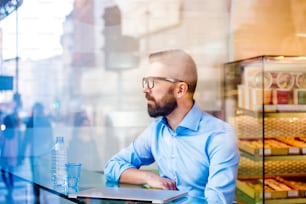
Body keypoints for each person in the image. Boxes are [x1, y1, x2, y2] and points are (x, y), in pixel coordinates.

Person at [104, 49, 240, 203]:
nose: (145, 89)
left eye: (153, 82)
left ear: (180, 89)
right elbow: (112, 166)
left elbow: (217, 201)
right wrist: (149, 178)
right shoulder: (157, 131)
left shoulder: (219, 135)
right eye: (146, 82)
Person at [22, 102, 54, 204]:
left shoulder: (35, 122)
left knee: (39, 176)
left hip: (40, 153)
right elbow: (26, 139)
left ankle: (40, 196)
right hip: (37, 154)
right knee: (38, 177)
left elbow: (26, 140)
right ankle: (39, 196)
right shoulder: (36, 122)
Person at [0, 108, 22, 202]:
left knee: (3, 173)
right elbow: (19, 143)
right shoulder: (16, 132)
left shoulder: (3, 133)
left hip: (5, 155)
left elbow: (1, 143)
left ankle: (9, 188)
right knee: (11, 173)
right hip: (13, 155)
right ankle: (11, 190)